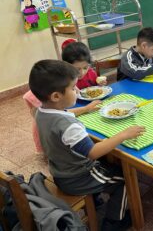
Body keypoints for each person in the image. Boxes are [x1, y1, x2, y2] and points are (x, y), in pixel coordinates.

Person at [29, 59, 146, 230]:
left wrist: (84, 109)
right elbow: (93, 152)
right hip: (77, 177)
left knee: (111, 164)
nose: (77, 91)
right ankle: (114, 221)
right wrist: (123, 134)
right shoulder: (68, 127)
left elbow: (64, 112)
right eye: (73, 88)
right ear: (56, 96)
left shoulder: (41, 111)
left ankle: (98, 198)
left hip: (59, 169)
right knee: (125, 179)